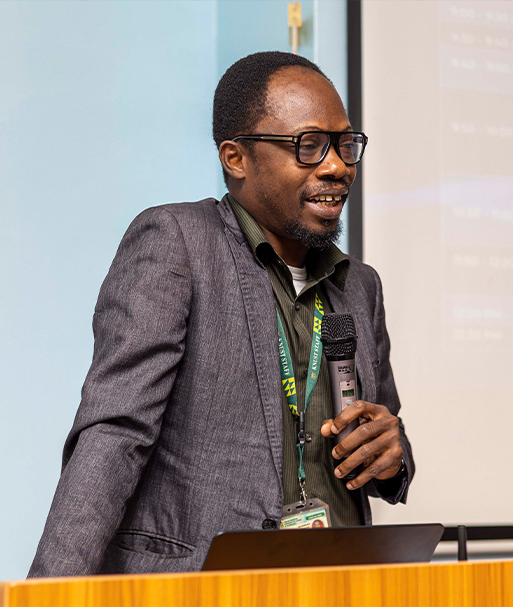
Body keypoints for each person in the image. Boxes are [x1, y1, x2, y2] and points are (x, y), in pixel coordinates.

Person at [29, 51, 413, 576]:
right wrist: (48, 591)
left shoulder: (360, 285)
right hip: (204, 586)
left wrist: (393, 455)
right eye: (309, 146)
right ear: (236, 158)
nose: (338, 166)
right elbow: (115, 433)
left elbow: (388, 436)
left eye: (346, 145)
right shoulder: (178, 245)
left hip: (339, 583)